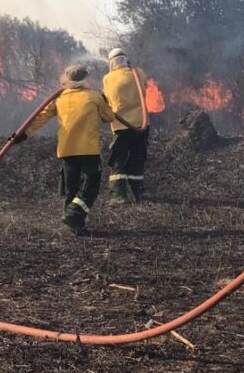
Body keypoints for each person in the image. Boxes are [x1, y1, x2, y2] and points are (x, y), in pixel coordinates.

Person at [15, 64, 117, 236]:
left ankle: (74, 225)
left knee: (71, 187)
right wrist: (105, 100)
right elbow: (109, 117)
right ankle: (74, 214)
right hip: (88, 149)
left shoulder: (58, 98)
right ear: (86, 80)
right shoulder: (94, 96)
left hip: (66, 150)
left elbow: (41, 117)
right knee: (90, 187)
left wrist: (24, 134)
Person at [102, 47, 150, 201]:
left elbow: (107, 98)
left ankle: (118, 195)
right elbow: (145, 89)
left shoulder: (108, 78)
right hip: (141, 124)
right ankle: (138, 193)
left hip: (121, 126)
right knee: (137, 158)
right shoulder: (139, 73)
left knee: (118, 159)